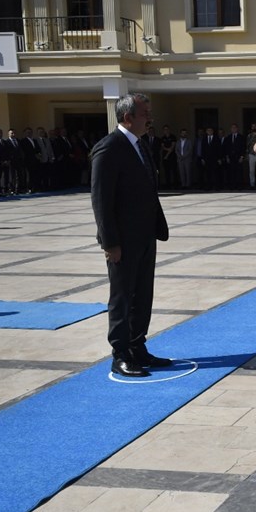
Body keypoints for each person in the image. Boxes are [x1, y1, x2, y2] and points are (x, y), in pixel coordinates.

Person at [90, 93, 171, 377]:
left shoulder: (141, 145)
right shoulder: (109, 148)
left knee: (143, 295)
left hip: (145, 235)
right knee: (122, 297)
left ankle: (138, 347)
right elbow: (101, 201)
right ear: (128, 118)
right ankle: (120, 353)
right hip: (122, 241)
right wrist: (110, 243)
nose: (150, 118)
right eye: (145, 113)